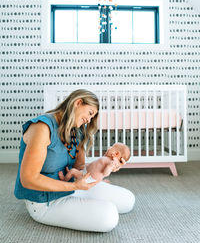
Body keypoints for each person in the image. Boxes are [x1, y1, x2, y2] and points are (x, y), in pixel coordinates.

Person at [14, 89, 135, 232]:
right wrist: (75, 187)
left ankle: (82, 201)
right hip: (45, 201)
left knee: (128, 200)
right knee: (109, 216)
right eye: (90, 113)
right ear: (78, 103)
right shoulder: (42, 127)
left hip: (71, 187)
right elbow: (28, 179)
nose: (89, 120)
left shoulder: (75, 130)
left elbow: (80, 167)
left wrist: (104, 168)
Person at [60, 142, 130, 182]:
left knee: (72, 171)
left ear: (116, 153)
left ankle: (64, 180)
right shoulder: (109, 158)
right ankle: (70, 175)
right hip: (87, 172)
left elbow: (105, 174)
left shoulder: (112, 163)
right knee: (81, 167)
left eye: (112, 147)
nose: (109, 147)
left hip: (88, 177)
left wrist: (109, 167)